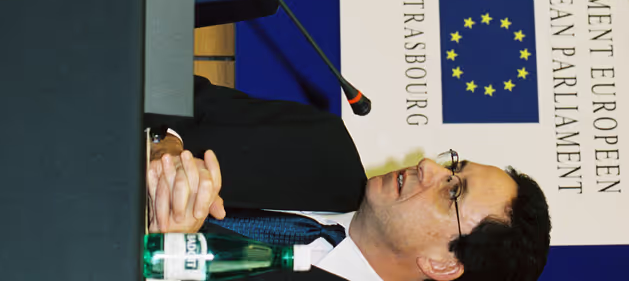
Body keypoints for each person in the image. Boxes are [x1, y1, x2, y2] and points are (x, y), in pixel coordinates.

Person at [145, 76, 551, 281]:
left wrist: (166, 254)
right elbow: (172, 86)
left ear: (444, 265)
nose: (429, 166)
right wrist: (167, 143)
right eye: (454, 168)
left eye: (453, 191)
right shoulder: (322, 143)